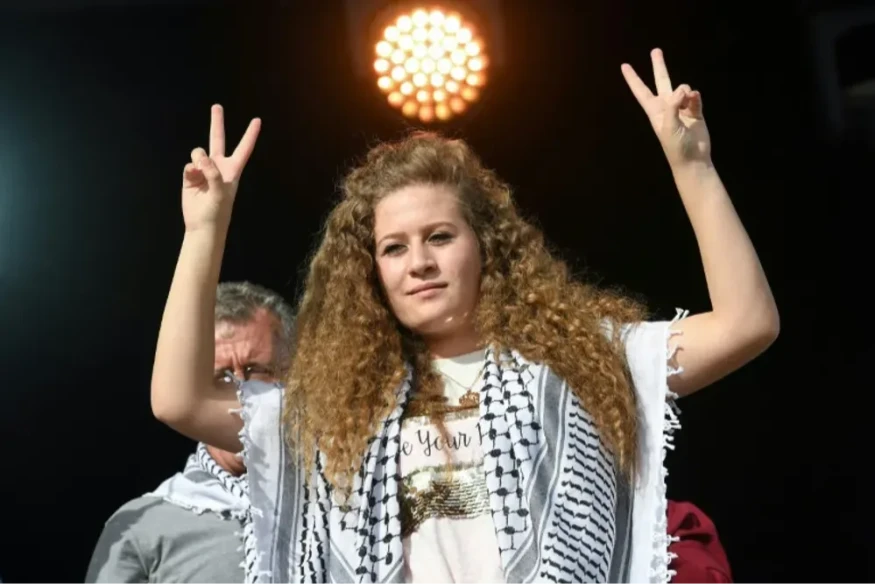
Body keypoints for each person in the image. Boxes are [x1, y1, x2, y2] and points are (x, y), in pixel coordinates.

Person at [150, 48, 778, 583]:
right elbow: (179, 401)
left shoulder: (577, 363)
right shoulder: (340, 403)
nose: (418, 263)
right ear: (371, 272)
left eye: (440, 237)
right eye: (394, 248)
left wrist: (693, 168)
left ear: (486, 246)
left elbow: (747, 324)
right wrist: (204, 231)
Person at [86, 282, 295, 584]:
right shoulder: (142, 526)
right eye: (221, 377)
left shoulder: (342, 502)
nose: (240, 392)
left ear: (294, 375)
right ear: (192, 393)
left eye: (256, 370)